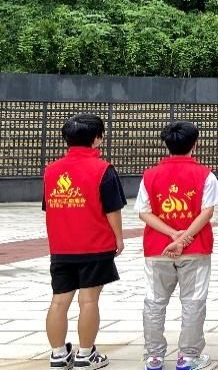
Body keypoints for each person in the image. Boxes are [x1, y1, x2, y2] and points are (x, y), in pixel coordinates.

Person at [136, 121, 218, 370]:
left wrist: (173, 235)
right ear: (195, 144)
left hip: (158, 249)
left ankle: (154, 357)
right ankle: (188, 356)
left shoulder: (150, 175)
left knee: (154, 302)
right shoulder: (205, 175)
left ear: (167, 144)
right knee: (193, 302)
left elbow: (144, 212)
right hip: (195, 249)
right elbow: (207, 212)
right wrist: (183, 238)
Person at [43, 113, 125, 370]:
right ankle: (86, 354)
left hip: (61, 247)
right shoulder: (103, 170)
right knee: (88, 300)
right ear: (97, 138)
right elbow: (112, 209)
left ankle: (58, 355)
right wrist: (119, 238)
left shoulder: (51, 171)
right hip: (94, 245)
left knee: (59, 300)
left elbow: (49, 207)